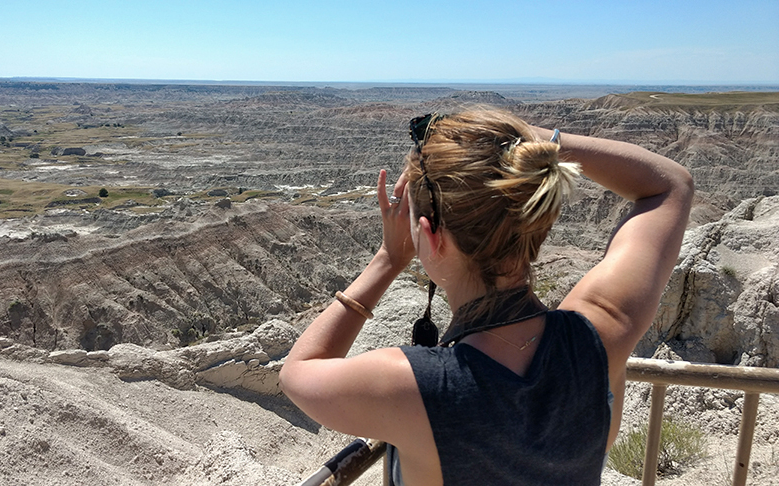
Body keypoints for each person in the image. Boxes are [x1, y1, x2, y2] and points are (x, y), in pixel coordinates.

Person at [279, 109, 693, 485]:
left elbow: (297, 373)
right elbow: (670, 184)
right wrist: (528, 142)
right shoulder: (603, 330)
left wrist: (388, 260)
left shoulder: (410, 385)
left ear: (427, 235)